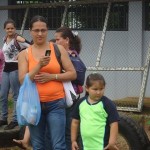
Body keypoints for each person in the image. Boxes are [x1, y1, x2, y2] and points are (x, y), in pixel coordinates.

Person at [13, 26, 82, 149]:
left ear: (47, 31)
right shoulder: (25, 54)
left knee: (58, 145)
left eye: (43, 30)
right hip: (34, 104)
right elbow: (23, 80)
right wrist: (39, 65)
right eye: (36, 30)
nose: (40, 33)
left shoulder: (57, 49)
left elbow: (73, 74)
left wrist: (52, 77)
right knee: (38, 145)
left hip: (56, 103)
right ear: (30, 31)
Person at [71, 73, 119, 150]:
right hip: (84, 146)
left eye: (101, 89)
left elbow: (114, 124)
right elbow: (75, 122)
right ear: (87, 88)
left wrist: (111, 143)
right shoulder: (80, 103)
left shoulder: (108, 104)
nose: (98, 92)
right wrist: (73, 140)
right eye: (95, 89)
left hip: (103, 147)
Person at [55, 26, 83, 150]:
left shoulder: (71, 56)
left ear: (66, 40)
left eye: (57, 40)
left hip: (70, 98)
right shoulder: (66, 54)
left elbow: (77, 77)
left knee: (67, 131)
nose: (56, 43)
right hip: (63, 97)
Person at [0, 18, 30, 130]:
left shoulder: (18, 38)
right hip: (6, 69)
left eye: (12, 28)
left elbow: (31, 47)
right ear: (5, 29)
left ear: (15, 29)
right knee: (3, 95)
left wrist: (21, 53)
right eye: (8, 28)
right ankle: (3, 118)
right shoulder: (5, 39)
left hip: (15, 69)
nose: (10, 30)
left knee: (16, 95)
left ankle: (15, 120)